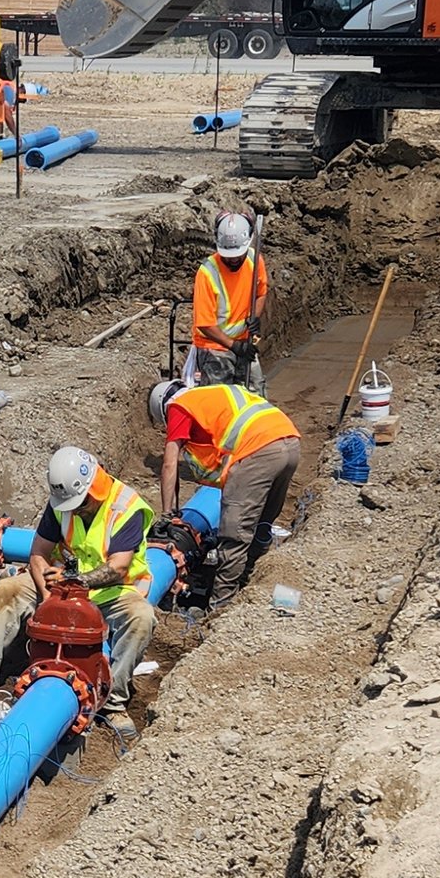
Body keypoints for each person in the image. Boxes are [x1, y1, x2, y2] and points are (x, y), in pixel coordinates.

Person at [0, 445, 159, 729]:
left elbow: (119, 566)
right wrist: (48, 600)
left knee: (141, 618)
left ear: (92, 491)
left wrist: (79, 582)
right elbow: (38, 552)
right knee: (6, 591)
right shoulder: (63, 500)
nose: (72, 511)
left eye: (78, 504)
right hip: (59, 587)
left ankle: (113, 701)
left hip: (111, 590)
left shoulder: (126, 507)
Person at [154, 374, 301, 606]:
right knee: (262, 522)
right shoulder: (210, 397)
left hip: (259, 450)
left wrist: (167, 514)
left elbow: (170, 463)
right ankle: (250, 581)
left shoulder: (178, 406)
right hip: (290, 441)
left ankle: (220, 605)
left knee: (234, 535)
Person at [185, 211, 268, 388]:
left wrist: (256, 318)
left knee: (255, 392)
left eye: (238, 255)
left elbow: (261, 293)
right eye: (229, 256)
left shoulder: (255, 260)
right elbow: (205, 324)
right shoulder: (207, 273)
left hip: (244, 342)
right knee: (220, 399)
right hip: (214, 346)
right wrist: (234, 346)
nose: (234, 260)